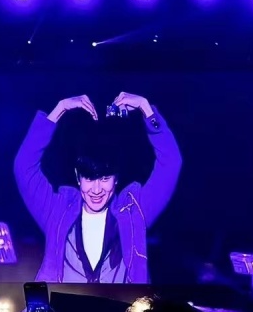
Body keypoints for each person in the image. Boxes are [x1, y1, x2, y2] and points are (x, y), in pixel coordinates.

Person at [14, 92, 182, 283]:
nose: (96, 190)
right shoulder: (56, 210)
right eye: (89, 178)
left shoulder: (135, 212)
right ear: (78, 177)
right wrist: (60, 108)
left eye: (104, 178)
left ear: (116, 179)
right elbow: (24, 166)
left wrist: (146, 108)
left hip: (121, 303)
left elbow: (171, 163)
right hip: (62, 303)